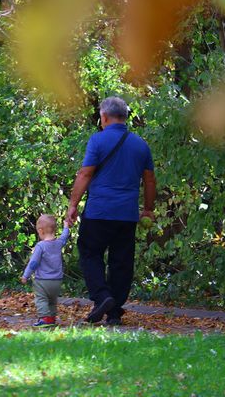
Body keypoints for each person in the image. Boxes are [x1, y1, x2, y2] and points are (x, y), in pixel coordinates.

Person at [66, 96, 156, 325]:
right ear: (125, 117)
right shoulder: (140, 145)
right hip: (126, 215)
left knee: (89, 253)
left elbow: (85, 174)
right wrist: (147, 209)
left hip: (98, 212)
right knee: (122, 261)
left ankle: (102, 297)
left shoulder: (97, 141)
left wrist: (73, 205)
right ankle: (114, 313)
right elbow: (150, 181)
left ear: (104, 117)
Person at [20, 214, 70, 327]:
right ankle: (51, 319)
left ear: (41, 231)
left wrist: (25, 275)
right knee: (52, 301)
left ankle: (45, 318)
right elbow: (64, 237)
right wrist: (66, 226)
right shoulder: (58, 243)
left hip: (43, 281)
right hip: (57, 281)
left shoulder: (41, 246)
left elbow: (33, 263)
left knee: (41, 299)